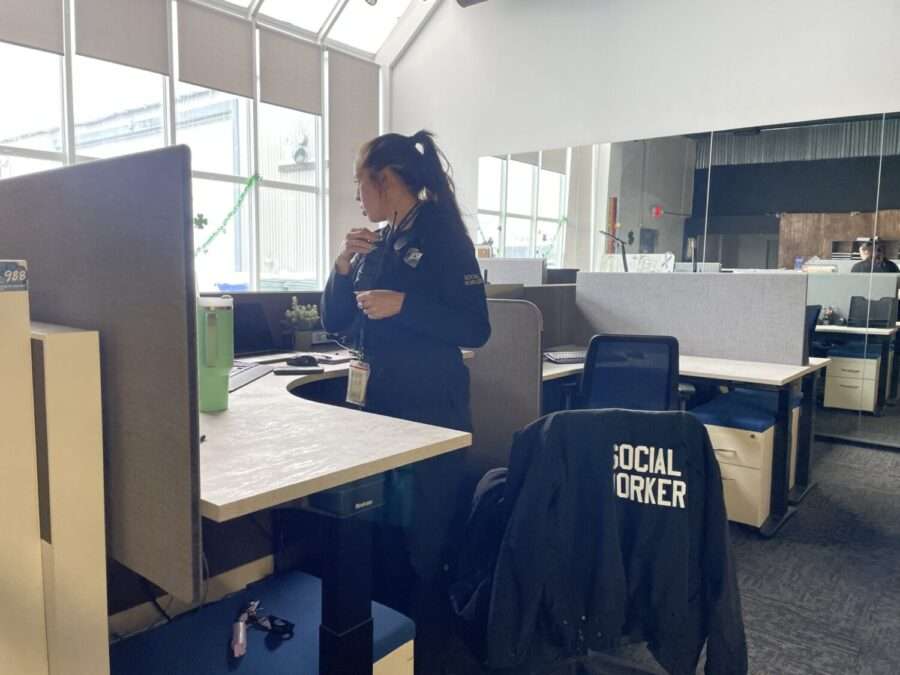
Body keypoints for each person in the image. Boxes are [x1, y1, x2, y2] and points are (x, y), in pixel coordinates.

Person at [320, 129, 491, 671]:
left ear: (386, 179)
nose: (357, 196)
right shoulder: (379, 240)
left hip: (430, 416)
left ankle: (430, 654)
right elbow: (336, 321)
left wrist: (405, 305)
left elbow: (475, 327)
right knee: (386, 539)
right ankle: (391, 647)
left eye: (360, 183)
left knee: (424, 544)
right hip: (379, 414)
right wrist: (342, 266)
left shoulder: (442, 234)